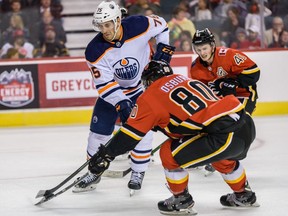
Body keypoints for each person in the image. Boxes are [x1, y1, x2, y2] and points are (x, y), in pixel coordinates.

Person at [87, 60, 259, 215]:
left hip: (223, 136)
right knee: (217, 157)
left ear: (148, 81)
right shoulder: (184, 79)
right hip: (245, 126)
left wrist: (106, 154)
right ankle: (244, 195)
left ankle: (181, 200)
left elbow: (130, 135)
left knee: (168, 152)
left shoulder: (149, 96)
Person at [72, 0, 175, 194]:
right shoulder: (94, 50)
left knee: (143, 132)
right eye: (101, 26)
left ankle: (138, 171)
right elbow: (105, 85)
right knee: (98, 134)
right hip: (112, 95)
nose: (105, 30)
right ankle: (94, 172)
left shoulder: (138, 25)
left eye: (108, 24)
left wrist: (162, 51)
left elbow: (162, 24)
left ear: (118, 20)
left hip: (140, 90)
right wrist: (121, 103)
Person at [190, 28, 260, 174]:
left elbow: (254, 72)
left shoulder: (228, 55)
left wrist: (233, 82)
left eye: (204, 48)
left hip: (243, 95)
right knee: (212, 126)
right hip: (222, 100)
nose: (202, 52)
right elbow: (203, 93)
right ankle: (215, 156)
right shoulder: (195, 68)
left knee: (238, 124)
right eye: (198, 49)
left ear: (212, 45)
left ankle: (229, 158)